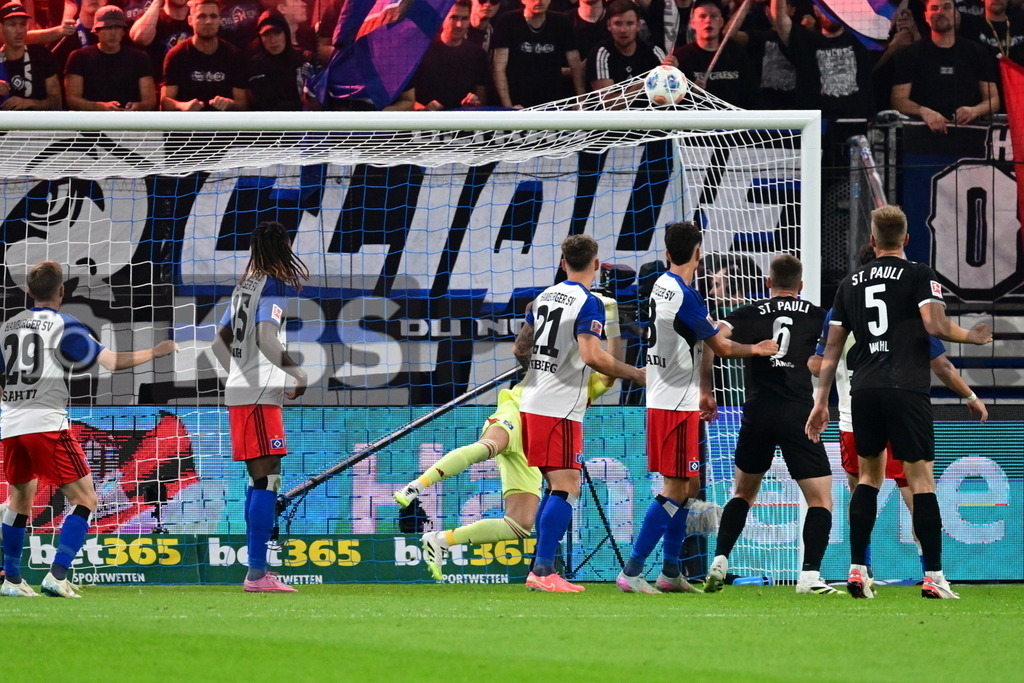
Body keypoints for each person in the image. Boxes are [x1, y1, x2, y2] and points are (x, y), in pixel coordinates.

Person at [806, 205, 993, 600]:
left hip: (864, 392)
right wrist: (972, 336)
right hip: (906, 388)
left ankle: (857, 571)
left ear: (873, 241)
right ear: (906, 239)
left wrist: (820, 402)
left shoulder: (849, 283)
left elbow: (832, 352)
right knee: (921, 481)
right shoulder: (920, 274)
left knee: (868, 481)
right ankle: (934, 577)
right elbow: (936, 326)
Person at [397, 295, 619, 581]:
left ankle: (441, 541)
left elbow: (611, 372)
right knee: (488, 446)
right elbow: (526, 343)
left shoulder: (587, 383)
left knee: (518, 525)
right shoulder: (550, 364)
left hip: (537, 443)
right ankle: (416, 486)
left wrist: (611, 322)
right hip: (519, 411)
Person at [615, 223, 779, 594]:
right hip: (673, 402)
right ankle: (632, 570)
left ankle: (671, 571)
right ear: (699, 253)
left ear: (668, 253)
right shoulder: (685, 295)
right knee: (676, 487)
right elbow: (719, 347)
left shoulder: (664, 285)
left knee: (689, 486)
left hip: (674, 396)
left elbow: (696, 334)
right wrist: (757, 349)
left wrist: (705, 377)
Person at [1, 261, 177, 597]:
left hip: (11, 423)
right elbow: (111, 362)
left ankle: (11, 579)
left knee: (19, 500)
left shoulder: (9, 326)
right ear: (62, 291)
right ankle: (57, 574)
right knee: (86, 498)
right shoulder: (63, 324)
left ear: (28, 292)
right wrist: (155, 351)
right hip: (46, 423)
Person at [698, 254, 839, 595]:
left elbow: (712, 340)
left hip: (758, 412)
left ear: (768, 283)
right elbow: (826, 360)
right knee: (820, 500)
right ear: (801, 286)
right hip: (799, 415)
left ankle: (720, 560)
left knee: (743, 493)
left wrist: (706, 389)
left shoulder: (749, 311)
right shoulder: (819, 316)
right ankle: (809, 577)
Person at [511, 235, 646, 592]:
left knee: (558, 486)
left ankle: (540, 568)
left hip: (532, 402)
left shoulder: (542, 298)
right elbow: (591, 355)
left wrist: (542, 373)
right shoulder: (589, 303)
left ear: (562, 262)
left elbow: (520, 347)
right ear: (597, 265)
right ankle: (542, 571)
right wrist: (636, 373)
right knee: (568, 487)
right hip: (557, 409)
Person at [212, 221, 309, 594]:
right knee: (267, 478)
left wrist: (240, 375)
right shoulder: (273, 285)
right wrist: (296, 372)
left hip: (245, 391)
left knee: (261, 479)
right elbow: (267, 336)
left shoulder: (244, 287)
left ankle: (258, 572)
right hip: (258, 395)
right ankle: (256, 574)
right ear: (283, 248)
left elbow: (218, 344)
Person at [892, 0, 1000, 133]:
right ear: (926, 16)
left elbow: (993, 100)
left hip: (970, 133)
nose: (940, 12)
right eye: (934, 8)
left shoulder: (977, 52)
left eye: (946, 7)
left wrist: (974, 111)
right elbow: (898, 100)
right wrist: (923, 111)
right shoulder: (910, 53)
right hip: (922, 135)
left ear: (956, 14)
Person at [491, 0, 584, 108]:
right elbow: (498, 68)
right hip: (518, 101)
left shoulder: (561, 22)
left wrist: (581, 101)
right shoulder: (508, 21)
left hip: (553, 103)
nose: (539, 1)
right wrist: (508, 107)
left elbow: (576, 66)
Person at [65, 5, 157, 111]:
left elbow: (150, 101)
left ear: (123, 31)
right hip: (92, 121)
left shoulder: (139, 58)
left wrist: (137, 106)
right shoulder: (79, 57)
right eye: (108, 28)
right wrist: (101, 107)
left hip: (128, 121)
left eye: (118, 27)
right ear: (96, 31)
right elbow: (72, 100)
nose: (113, 33)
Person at [162, 0, 248, 111]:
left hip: (223, 124)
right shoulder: (176, 55)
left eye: (213, 16)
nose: (208, 21)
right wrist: (182, 106)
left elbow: (244, 105)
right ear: (190, 20)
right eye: (201, 16)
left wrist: (231, 104)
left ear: (219, 21)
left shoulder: (234, 55)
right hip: (189, 124)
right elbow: (164, 103)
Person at [670, 0, 757, 108]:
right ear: (692, 23)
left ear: (721, 22)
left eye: (714, 16)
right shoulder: (682, 57)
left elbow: (751, 94)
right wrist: (691, 92)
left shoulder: (737, 54)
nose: (708, 21)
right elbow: (673, 102)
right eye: (702, 16)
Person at [412, 0, 489, 111]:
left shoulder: (478, 54)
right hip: (425, 124)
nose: (459, 25)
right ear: (443, 18)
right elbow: (404, 97)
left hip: (461, 123)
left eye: (464, 18)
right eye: (454, 17)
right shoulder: (420, 50)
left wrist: (473, 103)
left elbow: (482, 101)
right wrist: (422, 109)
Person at [587, 0, 665, 99]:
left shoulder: (654, 51)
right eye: (618, 24)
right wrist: (645, 84)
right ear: (609, 25)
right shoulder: (601, 54)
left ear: (638, 26)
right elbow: (608, 104)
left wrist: (673, 71)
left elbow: (670, 93)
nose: (623, 30)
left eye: (630, 24)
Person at [246, 9, 316, 111]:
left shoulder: (306, 59)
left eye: (277, 33)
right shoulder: (253, 66)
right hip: (266, 124)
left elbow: (320, 100)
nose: (273, 40)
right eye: (266, 34)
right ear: (260, 37)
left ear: (285, 33)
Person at [0, 2, 61, 111]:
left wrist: (28, 103)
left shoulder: (41, 55)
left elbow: (56, 103)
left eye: (23, 24)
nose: (19, 31)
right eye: (12, 24)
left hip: (37, 124)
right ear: (1, 27)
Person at [129, 0, 193, 86]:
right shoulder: (152, 17)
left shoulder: (199, 17)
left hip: (191, 86)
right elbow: (141, 39)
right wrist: (157, 2)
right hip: (159, 87)